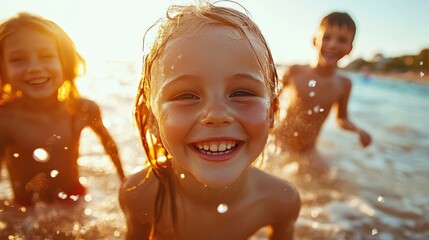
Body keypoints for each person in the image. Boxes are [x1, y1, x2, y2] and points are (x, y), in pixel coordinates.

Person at [119, 2, 301, 239]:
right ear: (152, 119)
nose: (217, 115)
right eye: (185, 95)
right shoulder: (140, 194)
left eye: (241, 93)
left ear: (272, 112)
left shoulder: (280, 201)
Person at [0, 13, 125, 206]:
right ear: (3, 70)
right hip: (25, 210)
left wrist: (124, 183)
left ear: (65, 62)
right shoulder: (5, 120)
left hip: (75, 199)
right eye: (18, 59)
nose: (34, 67)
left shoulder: (83, 109)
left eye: (46, 56)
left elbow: (109, 146)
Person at [273, 12, 372, 176]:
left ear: (349, 49)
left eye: (341, 40)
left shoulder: (344, 84)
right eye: (326, 37)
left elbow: (341, 118)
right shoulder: (295, 71)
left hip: (307, 150)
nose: (333, 45)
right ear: (314, 41)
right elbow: (271, 100)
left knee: (329, 179)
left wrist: (358, 130)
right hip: (279, 142)